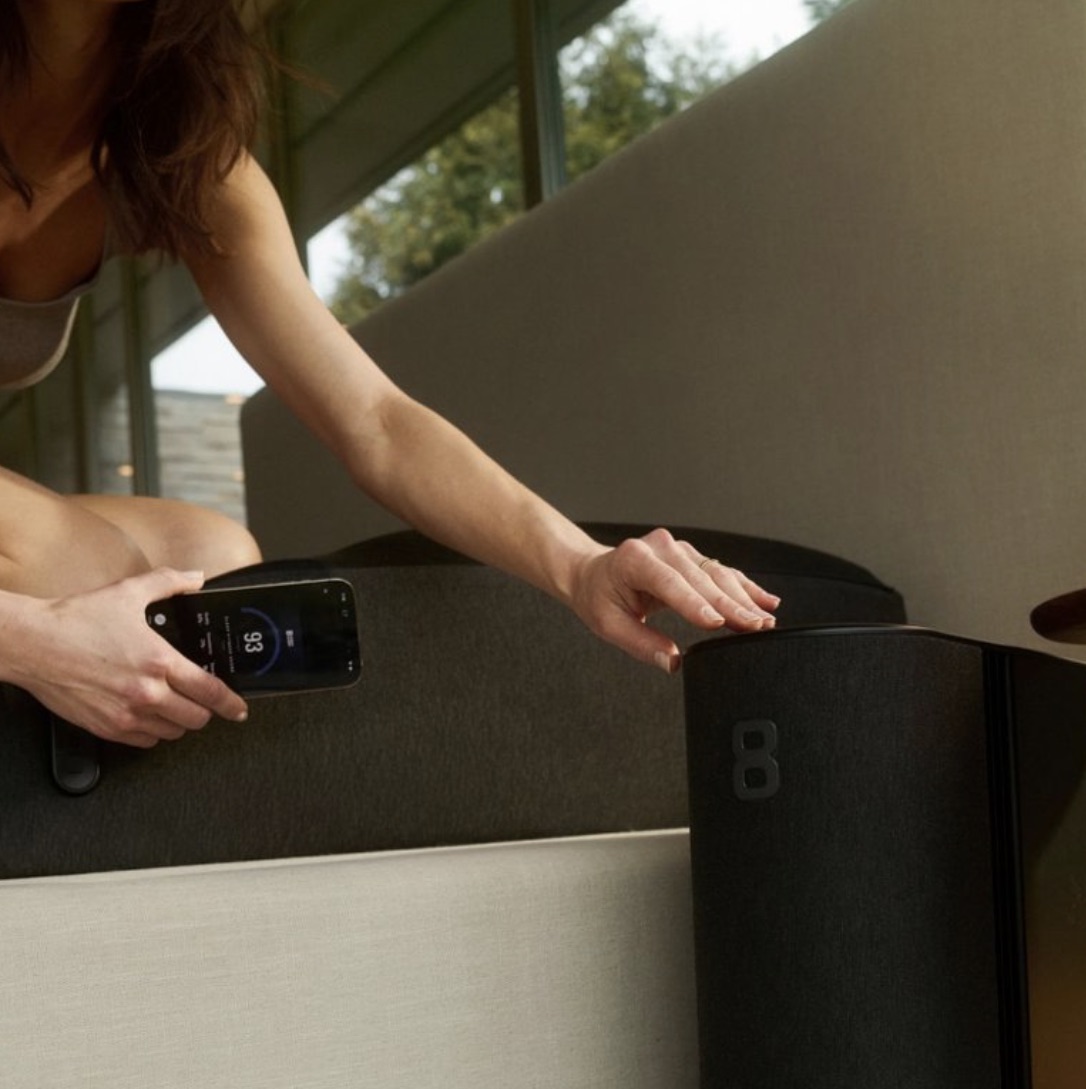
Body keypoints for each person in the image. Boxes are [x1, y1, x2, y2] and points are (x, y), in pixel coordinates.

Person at [0, 0, 779, 750]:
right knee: (81, 569)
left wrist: (580, 566)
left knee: (212, 563)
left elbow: (374, 420)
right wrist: (35, 642)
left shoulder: (182, 160)